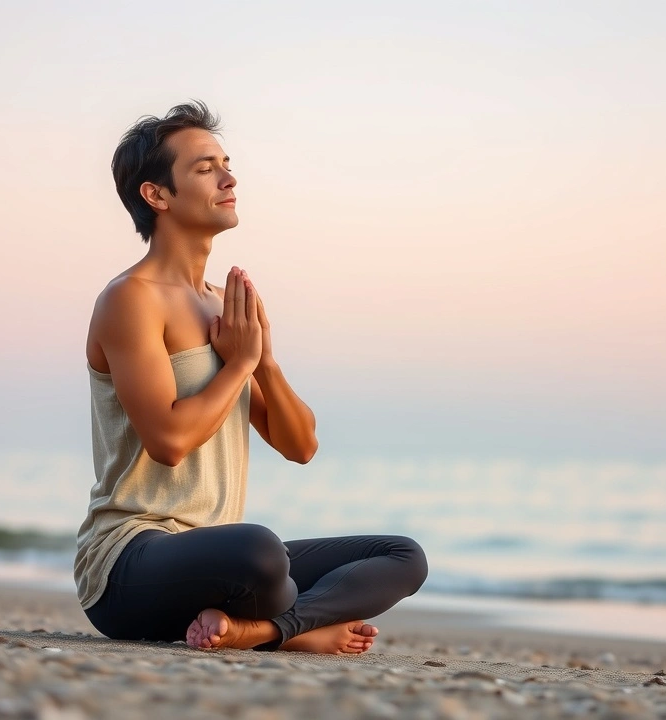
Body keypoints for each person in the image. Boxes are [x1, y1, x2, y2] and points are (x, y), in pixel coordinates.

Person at [73, 101, 428, 654]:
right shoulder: (131, 300)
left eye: (226, 163)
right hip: (129, 564)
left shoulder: (223, 306)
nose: (229, 178)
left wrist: (262, 359)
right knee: (261, 553)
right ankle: (295, 629)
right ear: (157, 195)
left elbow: (301, 444)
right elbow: (167, 442)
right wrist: (236, 364)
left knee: (401, 555)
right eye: (204, 168)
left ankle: (260, 630)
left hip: (215, 558)